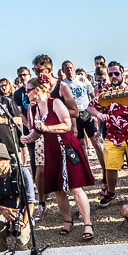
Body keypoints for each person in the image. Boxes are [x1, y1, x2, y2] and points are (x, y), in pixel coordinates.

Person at [23, 77, 95, 239]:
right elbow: (37, 131)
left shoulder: (55, 103)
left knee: (75, 188)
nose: (26, 93)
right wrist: (29, 137)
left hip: (67, 147)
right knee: (58, 190)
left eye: (28, 90)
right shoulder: (34, 108)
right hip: (51, 150)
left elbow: (67, 125)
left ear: (37, 90)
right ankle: (68, 221)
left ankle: (88, 224)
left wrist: (47, 128)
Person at [88, 62, 128, 209]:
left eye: (116, 73)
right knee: (110, 167)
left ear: (122, 74)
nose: (113, 77)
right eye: (110, 74)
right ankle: (110, 192)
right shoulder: (104, 92)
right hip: (113, 136)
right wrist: (99, 115)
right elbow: (90, 107)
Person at [0, 142, 36, 252]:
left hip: (20, 213)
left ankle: (22, 248)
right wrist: (3, 210)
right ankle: (2, 250)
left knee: (21, 239)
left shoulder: (22, 172)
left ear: (7, 160)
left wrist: (24, 222)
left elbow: (30, 202)